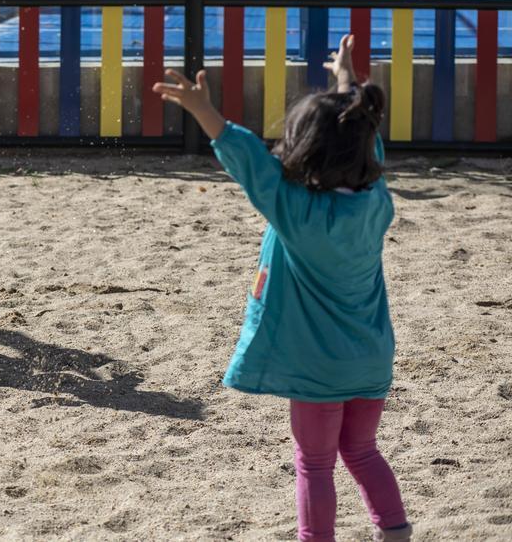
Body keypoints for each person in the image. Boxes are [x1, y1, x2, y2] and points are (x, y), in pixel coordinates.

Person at [152, 35, 411, 542]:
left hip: (316, 369)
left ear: (305, 149)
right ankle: (396, 532)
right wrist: (346, 80)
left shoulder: (297, 213)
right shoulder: (376, 201)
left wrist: (206, 112)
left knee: (314, 465)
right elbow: (364, 137)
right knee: (362, 451)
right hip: (371, 358)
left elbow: (249, 161)